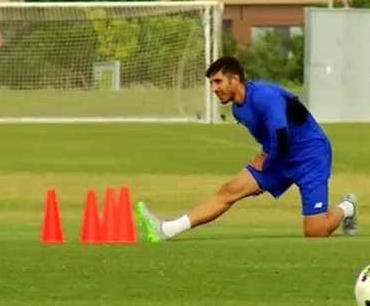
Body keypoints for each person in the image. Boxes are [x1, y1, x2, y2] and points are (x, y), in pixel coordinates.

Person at [134, 56, 358, 242]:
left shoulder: (264, 96)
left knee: (315, 231)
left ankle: (348, 207)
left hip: (310, 156)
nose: (214, 89)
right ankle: (166, 230)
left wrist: (266, 162)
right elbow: (272, 137)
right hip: (279, 155)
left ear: (235, 79)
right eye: (212, 83)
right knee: (229, 191)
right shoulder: (238, 110)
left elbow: (281, 134)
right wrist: (264, 164)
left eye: (218, 82)